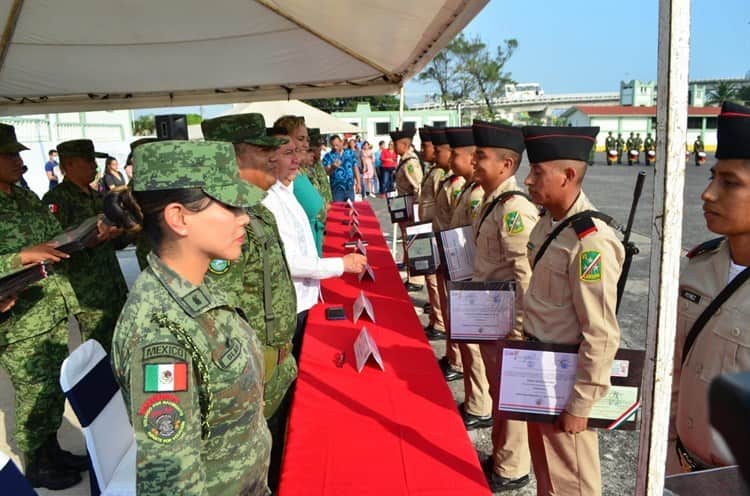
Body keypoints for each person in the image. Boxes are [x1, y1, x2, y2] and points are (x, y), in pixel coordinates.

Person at [107, 140, 272, 495]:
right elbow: (172, 484)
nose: (244, 216)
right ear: (179, 218)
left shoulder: (196, 285)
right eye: (230, 205)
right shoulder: (159, 336)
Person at [522, 125, 624, 495]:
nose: (527, 179)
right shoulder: (551, 223)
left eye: (537, 171)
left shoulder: (589, 243)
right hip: (540, 371)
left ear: (567, 176)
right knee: (548, 476)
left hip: (566, 382)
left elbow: (601, 332)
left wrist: (581, 403)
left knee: (573, 483)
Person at [200, 113, 298, 491]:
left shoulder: (256, 210)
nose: (274, 158)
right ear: (231, 157)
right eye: (263, 151)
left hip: (273, 369)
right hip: (251, 381)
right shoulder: (223, 218)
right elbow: (218, 319)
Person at [0, 124, 88, 490]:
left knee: (51, 390)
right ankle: (37, 464)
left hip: (50, 309)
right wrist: (21, 256)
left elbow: (51, 235)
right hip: (19, 320)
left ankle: (51, 450)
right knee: (33, 393)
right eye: (10, 156)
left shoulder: (25, 198)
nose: (20, 162)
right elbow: (25, 253)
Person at [668, 101, 750, 474]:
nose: (708, 194)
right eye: (712, 177)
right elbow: (673, 372)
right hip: (680, 464)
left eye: (729, 183)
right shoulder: (697, 268)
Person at [471, 120, 537, 491]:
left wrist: (521, 331)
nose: (475, 162)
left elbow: (524, 274)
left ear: (506, 164)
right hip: (490, 318)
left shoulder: (514, 210)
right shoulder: (492, 200)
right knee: (499, 395)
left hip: (509, 323)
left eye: (482, 157)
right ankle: (502, 454)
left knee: (510, 399)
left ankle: (511, 469)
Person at [263, 129, 368, 361]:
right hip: (291, 306)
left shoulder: (285, 191)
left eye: (297, 152)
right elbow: (288, 261)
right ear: (270, 158)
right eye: (288, 153)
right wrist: (340, 265)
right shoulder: (269, 200)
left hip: (305, 299)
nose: (297, 160)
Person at [41, 139, 128, 352]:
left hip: (112, 285)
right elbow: (55, 245)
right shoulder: (56, 199)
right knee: (98, 350)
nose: (95, 166)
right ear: (69, 165)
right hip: (87, 291)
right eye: (88, 161)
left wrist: (122, 232)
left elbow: (114, 239)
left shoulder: (98, 196)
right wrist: (89, 241)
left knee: (122, 345)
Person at [444, 126, 492, 431]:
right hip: (463, 276)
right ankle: (475, 400)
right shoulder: (470, 190)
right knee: (468, 345)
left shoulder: (479, 196)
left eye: (456, 153)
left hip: (476, 284)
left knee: (476, 350)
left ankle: (479, 405)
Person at [431, 128, 464, 382]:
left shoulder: (462, 187)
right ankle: (455, 357)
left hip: (460, 264)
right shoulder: (452, 183)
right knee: (446, 305)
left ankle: (458, 361)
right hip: (445, 254)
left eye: (454, 153)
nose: (450, 158)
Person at [273, 116, 327, 256]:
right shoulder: (280, 181)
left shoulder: (299, 172)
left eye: (307, 140)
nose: (306, 145)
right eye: (300, 139)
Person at [416, 127, 446, 341]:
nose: (428, 151)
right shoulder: (434, 171)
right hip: (428, 230)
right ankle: (437, 317)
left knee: (437, 283)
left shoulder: (442, 176)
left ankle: (440, 322)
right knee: (432, 280)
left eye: (427, 146)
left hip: (437, 235)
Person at [322, 135, 360, 202]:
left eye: (336, 145)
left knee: (351, 210)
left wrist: (358, 183)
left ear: (341, 142)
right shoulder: (328, 156)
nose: (335, 147)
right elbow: (326, 172)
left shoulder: (350, 153)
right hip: (337, 190)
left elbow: (355, 168)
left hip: (350, 188)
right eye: (332, 145)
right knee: (339, 210)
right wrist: (332, 168)